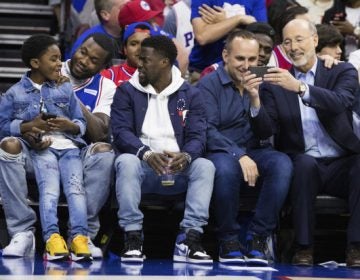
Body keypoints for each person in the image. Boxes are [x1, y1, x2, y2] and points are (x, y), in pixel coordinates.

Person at [0, 33, 116, 259]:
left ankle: (82, 235)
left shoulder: (105, 86)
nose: (83, 60)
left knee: (105, 153)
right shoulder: (50, 63)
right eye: (83, 51)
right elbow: (6, 122)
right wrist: (28, 128)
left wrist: (69, 96)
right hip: (37, 150)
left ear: (103, 66)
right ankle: (23, 233)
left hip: (74, 149)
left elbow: (100, 132)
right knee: (8, 145)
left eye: (94, 60)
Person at [260, 18, 360, 267]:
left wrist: (301, 88)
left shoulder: (341, 71)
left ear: (315, 40)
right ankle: (304, 247)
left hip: (341, 161)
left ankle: (356, 247)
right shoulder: (276, 83)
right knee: (303, 164)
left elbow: (340, 101)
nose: (293, 46)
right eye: (287, 42)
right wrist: (254, 103)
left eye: (299, 39)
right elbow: (267, 129)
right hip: (305, 162)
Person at [110, 35, 215, 264]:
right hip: (143, 166)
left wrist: (186, 156)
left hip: (178, 167)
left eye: (145, 60)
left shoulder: (191, 94)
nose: (139, 64)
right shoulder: (126, 91)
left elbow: (198, 135)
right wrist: (146, 153)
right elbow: (120, 132)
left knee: (204, 166)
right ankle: (133, 236)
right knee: (126, 162)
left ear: (164, 62)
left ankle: (190, 238)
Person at [196, 29, 293, 265]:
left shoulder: (262, 84)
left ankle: (258, 238)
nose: (246, 65)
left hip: (255, 150)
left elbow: (266, 132)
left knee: (282, 163)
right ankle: (228, 239)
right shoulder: (208, 84)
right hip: (220, 151)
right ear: (226, 55)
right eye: (240, 58)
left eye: (252, 59)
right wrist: (238, 155)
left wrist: (255, 99)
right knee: (226, 169)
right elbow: (207, 130)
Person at [189, 0, 267, 82]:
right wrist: (239, 19)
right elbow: (203, 36)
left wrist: (225, 21)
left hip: (246, 72)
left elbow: (261, 36)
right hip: (204, 72)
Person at [200, 22, 275, 78]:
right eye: (258, 47)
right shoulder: (212, 72)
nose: (262, 53)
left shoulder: (271, 77)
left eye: (267, 50)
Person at [101, 22, 155, 86]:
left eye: (146, 44)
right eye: (134, 44)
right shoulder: (109, 76)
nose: (140, 49)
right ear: (125, 49)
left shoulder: (162, 76)